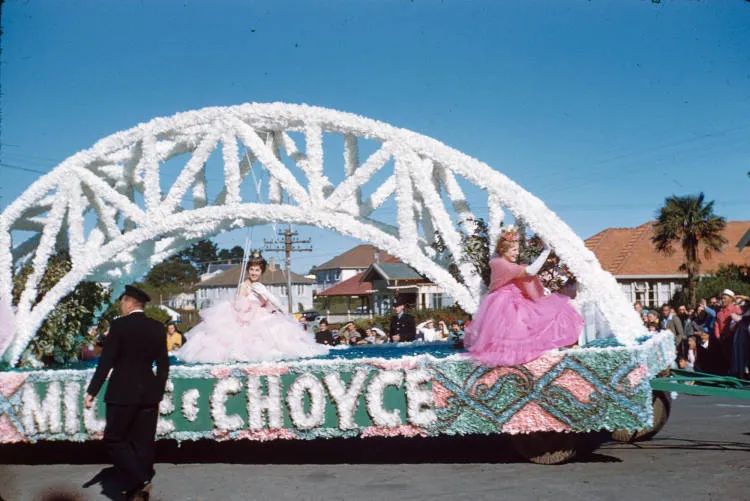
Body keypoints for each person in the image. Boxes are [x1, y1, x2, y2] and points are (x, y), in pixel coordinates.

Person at [84, 285, 169, 501]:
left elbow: (106, 362)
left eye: (122, 301)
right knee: (143, 441)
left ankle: (140, 479)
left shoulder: (119, 326)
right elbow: (163, 365)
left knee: (114, 439)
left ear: (129, 303)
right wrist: (157, 390)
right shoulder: (158, 327)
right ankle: (138, 489)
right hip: (149, 393)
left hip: (122, 392)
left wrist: (92, 391)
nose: (121, 305)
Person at [177, 251, 328, 363]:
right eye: (252, 270)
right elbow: (242, 307)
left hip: (261, 314)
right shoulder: (245, 286)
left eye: (257, 270)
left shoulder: (259, 285)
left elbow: (272, 302)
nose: (254, 272)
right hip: (247, 318)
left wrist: (284, 312)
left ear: (261, 272)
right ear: (248, 270)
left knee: (278, 334)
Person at [464, 226, 584, 366]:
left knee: (553, 312)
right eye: (514, 250)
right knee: (514, 330)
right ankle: (511, 363)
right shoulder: (499, 263)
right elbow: (530, 272)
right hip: (503, 303)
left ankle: (538, 358)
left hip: (517, 299)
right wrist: (545, 251)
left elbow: (524, 276)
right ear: (504, 250)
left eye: (517, 249)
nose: (517, 253)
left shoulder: (508, 264)